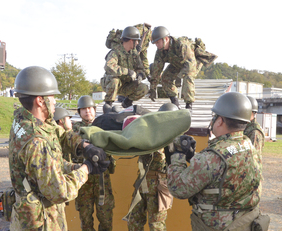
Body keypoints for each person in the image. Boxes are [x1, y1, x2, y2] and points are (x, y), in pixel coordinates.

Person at [8, 66, 109, 231]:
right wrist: (86, 169)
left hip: (29, 213)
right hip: (43, 221)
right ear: (40, 101)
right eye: (52, 97)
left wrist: (84, 147)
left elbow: (59, 135)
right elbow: (60, 191)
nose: (55, 101)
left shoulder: (23, 119)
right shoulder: (36, 142)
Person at [166, 92, 264, 230]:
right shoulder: (249, 145)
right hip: (244, 223)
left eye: (215, 116)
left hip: (217, 226)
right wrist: (193, 157)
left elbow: (178, 189)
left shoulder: (211, 157)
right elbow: (220, 172)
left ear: (220, 121)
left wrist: (178, 155)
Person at [126, 103, 177, 231]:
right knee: (134, 222)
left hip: (159, 185)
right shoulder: (151, 133)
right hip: (142, 182)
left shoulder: (175, 139)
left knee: (156, 226)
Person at [72, 95, 115, 231]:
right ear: (79, 112)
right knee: (86, 222)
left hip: (102, 180)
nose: (87, 111)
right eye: (83, 109)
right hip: (83, 180)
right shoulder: (75, 131)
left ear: (95, 110)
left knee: (106, 220)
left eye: (90, 108)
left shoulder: (104, 126)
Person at [149, 26, 217, 109]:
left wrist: (179, 77)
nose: (157, 45)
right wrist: (152, 88)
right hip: (177, 63)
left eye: (158, 42)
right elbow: (157, 70)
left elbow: (190, 66)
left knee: (188, 77)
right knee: (165, 78)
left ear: (166, 39)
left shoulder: (181, 44)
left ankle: (189, 106)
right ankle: (175, 103)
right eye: (155, 43)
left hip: (193, 61)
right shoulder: (160, 51)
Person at [102, 26, 148, 113]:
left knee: (144, 88)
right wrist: (127, 71)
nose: (138, 43)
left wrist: (140, 75)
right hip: (112, 84)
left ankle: (127, 102)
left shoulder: (134, 54)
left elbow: (141, 69)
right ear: (131, 41)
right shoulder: (115, 52)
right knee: (114, 81)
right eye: (136, 40)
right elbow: (109, 66)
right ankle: (108, 105)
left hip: (126, 85)